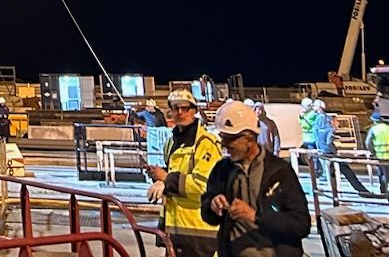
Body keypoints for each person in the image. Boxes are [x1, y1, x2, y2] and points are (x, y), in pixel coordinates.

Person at [202, 100, 312, 257]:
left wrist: (255, 217)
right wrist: (212, 206)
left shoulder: (280, 171)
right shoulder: (222, 170)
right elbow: (207, 215)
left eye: (230, 139)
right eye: (223, 138)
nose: (225, 145)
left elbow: (301, 224)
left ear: (249, 138)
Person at [148, 87, 223, 257]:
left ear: (194, 111)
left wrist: (167, 178)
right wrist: (159, 179)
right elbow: (175, 174)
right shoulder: (170, 143)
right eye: (175, 108)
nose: (180, 112)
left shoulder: (205, 143)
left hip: (199, 233)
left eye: (185, 108)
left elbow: (204, 186)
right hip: (175, 231)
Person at [310, 100, 372, 196]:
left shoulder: (318, 125)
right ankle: (360, 190)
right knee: (344, 170)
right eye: (336, 121)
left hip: (321, 151)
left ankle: (337, 193)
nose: (337, 123)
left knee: (331, 173)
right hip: (329, 153)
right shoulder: (329, 128)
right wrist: (335, 151)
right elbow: (329, 142)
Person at [364, 110, 389, 196]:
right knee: (387, 174)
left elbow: (368, 143)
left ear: (373, 121)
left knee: (381, 173)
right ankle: (384, 190)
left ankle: (383, 190)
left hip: (380, 155)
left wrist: (373, 152)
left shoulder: (374, 129)